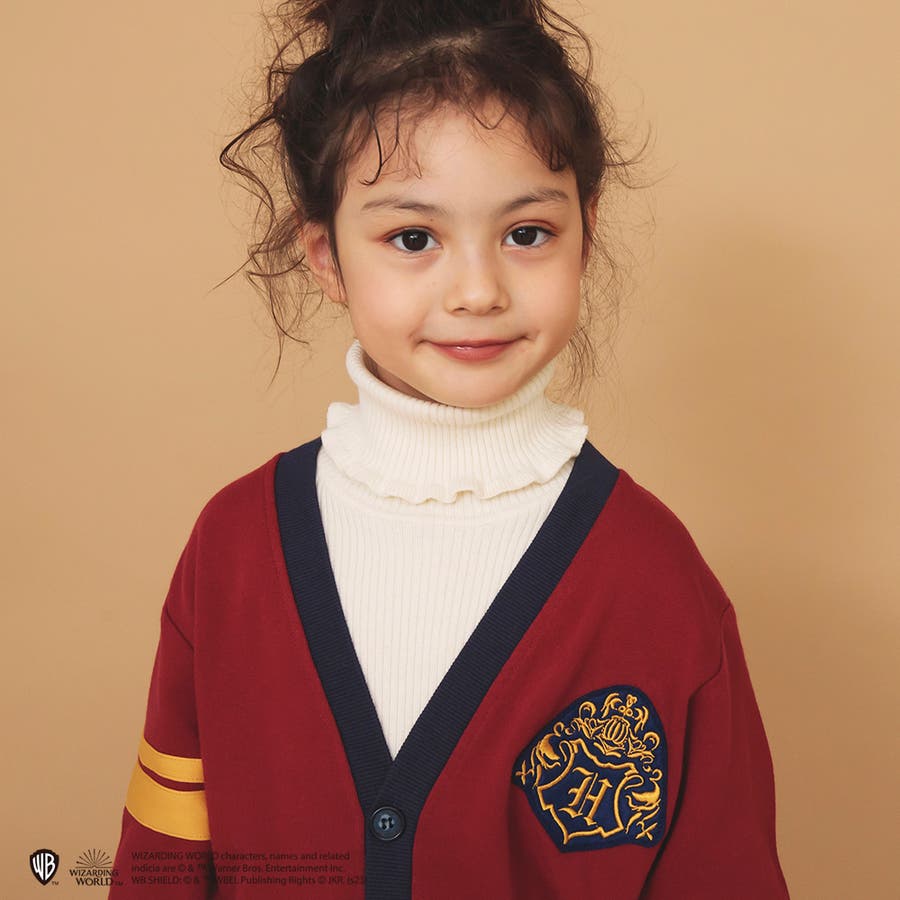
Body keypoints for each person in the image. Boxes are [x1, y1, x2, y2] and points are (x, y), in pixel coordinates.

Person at [108, 1, 790, 897]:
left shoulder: (657, 580)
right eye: (413, 238)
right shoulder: (231, 549)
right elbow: (158, 869)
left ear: (586, 231)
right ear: (325, 256)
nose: (477, 291)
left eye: (526, 234)